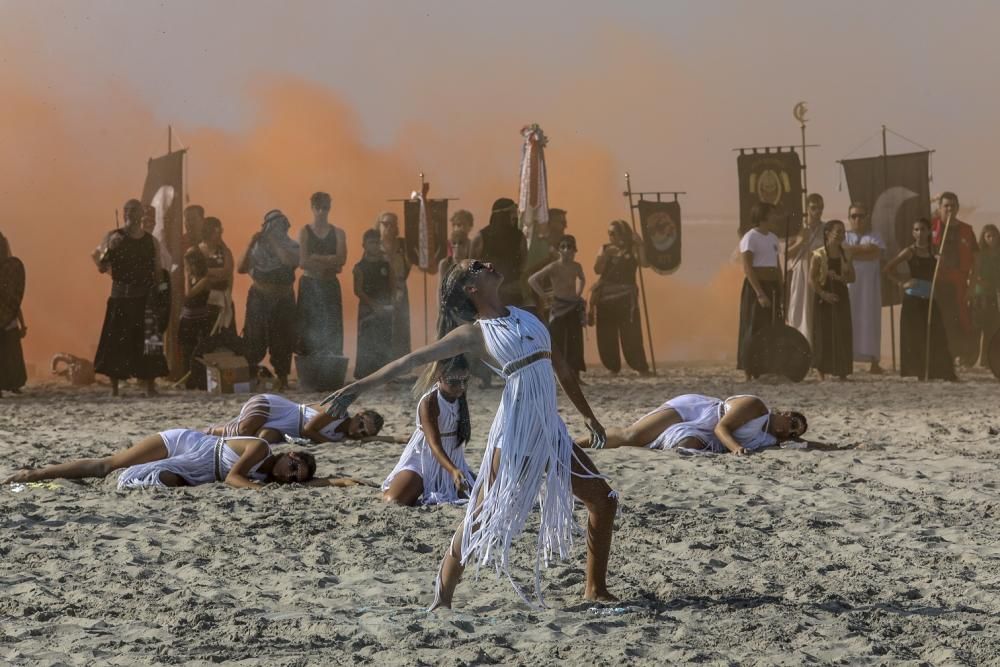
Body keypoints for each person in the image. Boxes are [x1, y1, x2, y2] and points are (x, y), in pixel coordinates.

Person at [323, 259, 617, 608]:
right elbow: (409, 361)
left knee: (604, 499)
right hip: (515, 432)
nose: (488, 263)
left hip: (549, 430)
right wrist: (355, 388)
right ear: (470, 288)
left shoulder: (528, 314)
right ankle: (442, 598)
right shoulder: (473, 334)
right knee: (481, 515)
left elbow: (564, 369)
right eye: (476, 267)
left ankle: (594, 589)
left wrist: (588, 416)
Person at [2, 429, 370, 490]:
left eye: (295, 477)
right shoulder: (260, 449)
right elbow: (233, 479)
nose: (291, 477)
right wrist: (260, 491)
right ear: (289, 454)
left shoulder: (272, 476)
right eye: (294, 468)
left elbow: (307, 485)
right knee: (108, 464)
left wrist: (339, 480)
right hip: (186, 444)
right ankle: (32, 473)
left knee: (165, 482)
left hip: (195, 471)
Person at [92, 199, 169, 397]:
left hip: (144, 297)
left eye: (137, 211)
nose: (134, 215)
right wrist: (110, 249)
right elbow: (101, 265)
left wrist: (160, 293)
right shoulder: (113, 237)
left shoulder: (150, 241)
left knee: (149, 344)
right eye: (131, 211)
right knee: (116, 343)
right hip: (121, 297)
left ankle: (150, 385)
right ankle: (115, 388)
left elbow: (157, 270)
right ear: (125, 213)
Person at [382, 355, 476, 506]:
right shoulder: (430, 401)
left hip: (452, 459)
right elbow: (434, 445)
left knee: (483, 496)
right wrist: (453, 471)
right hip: (423, 458)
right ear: (439, 377)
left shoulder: (459, 396)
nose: (461, 387)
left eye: (465, 381)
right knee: (394, 501)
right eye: (454, 382)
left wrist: (456, 468)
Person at [577, 394, 807, 454]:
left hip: (705, 435)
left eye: (794, 433)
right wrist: (736, 448)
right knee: (633, 437)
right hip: (697, 411)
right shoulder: (755, 406)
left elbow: (809, 445)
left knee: (687, 445)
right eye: (793, 423)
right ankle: (576, 444)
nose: (790, 431)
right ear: (785, 413)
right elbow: (721, 428)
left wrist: (834, 448)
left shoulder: (770, 438)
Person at [883, 218, 956, 380]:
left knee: (936, 334)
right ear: (912, 232)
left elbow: (944, 272)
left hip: (929, 299)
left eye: (923, 229)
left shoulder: (934, 251)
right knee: (914, 336)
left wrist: (941, 262)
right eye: (916, 230)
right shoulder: (909, 251)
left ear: (929, 231)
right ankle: (918, 372)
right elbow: (888, 269)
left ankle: (939, 371)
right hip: (913, 299)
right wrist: (902, 283)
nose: (920, 233)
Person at [237, 209, 299, 392]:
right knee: (254, 337)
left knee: (283, 339)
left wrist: (274, 241)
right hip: (259, 296)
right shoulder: (257, 248)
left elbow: (289, 261)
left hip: (283, 298)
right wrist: (250, 243)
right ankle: (252, 376)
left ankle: (282, 378)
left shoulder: (291, 245)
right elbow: (241, 267)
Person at [207, 393, 389, 444]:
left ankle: (216, 435)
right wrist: (329, 444)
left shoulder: (342, 436)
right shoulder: (338, 412)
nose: (359, 431)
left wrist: (402, 439)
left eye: (363, 432)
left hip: (282, 429)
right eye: (361, 424)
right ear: (359, 414)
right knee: (242, 431)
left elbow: (373, 438)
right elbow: (307, 430)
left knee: (259, 441)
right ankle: (210, 431)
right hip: (275, 409)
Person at [592, 220, 650, 375]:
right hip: (605, 300)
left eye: (614, 233)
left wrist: (641, 244)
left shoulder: (633, 249)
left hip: (626, 300)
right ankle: (612, 367)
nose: (611, 236)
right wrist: (605, 256)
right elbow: (597, 270)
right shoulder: (604, 249)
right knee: (606, 336)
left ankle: (639, 366)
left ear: (622, 233)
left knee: (631, 335)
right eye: (609, 233)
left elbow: (644, 263)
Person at [528, 234, 586, 382]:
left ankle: (576, 375)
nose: (566, 250)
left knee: (575, 340)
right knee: (557, 341)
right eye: (563, 247)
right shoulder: (554, 266)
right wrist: (545, 296)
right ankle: (556, 375)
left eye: (570, 247)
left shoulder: (576, 266)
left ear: (575, 249)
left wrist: (578, 294)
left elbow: (582, 279)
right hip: (558, 307)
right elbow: (532, 280)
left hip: (572, 306)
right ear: (559, 250)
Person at [931, 192, 979, 366]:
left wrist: (972, 286)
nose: (949, 209)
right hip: (937, 282)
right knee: (938, 318)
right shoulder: (930, 228)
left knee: (959, 319)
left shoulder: (967, 230)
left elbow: (976, 261)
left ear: (958, 207)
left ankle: (959, 355)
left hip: (958, 282)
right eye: (946, 206)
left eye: (953, 206)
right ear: (940, 208)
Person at [297, 192, 347, 357]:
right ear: (312, 208)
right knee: (308, 326)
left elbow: (342, 259)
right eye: (318, 207)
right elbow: (303, 262)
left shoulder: (338, 232)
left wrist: (316, 257)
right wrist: (330, 260)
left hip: (329, 283)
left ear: (329, 208)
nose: (321, 212)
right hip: (310, 284)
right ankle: (309, 369)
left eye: (324, 208)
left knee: (332, 326)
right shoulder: (304, 231)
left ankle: (332, 368)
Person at [737, 203, 782, 380]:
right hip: (757, 286)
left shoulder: (773, 238)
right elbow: (748, 267)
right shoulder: (750, 237)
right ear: (763, 217)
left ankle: (767, 366)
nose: (775, 218)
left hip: (772, 285)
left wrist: (781, 286)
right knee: (754, 327)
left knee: (771, 327)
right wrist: (760, 293)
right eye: (772, 215)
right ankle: (750, 369)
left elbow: (777, 265)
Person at [810, 220, 855, 380]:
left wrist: (841, 277)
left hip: (841, 294)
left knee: (842, 331)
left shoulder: (846, 254)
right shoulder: (818, 254)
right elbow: (812, 279)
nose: (841, 235)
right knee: (824, 332)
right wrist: (824, 294)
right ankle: (821, 370)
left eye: (843, 232)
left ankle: (842, 371)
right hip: (824, 295)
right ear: (827, 233)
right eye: (838, 232)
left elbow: (852, 277)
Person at [844, 202, 885, 374]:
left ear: (867, 217)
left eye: (861, 216)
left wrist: (853, 252)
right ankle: (846, 359)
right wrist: (862, 251)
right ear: (849, 218)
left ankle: (873, 361)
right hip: (850, 286)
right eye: (854, 216)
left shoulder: (874, 236)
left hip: (870, 289)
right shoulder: (844, 236)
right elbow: (843, 252)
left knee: (870, 320)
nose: (857, 219)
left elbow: (877, 252)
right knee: (849, 320)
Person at [470, 198, 528, 306]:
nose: (515, 217)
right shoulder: (481, 237)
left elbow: (523, 264)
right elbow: (472, 265)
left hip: (512, 293)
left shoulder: (519, 237)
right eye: (512, 213)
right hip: (488, 294)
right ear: (502, 215)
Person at [354, 229, 395, 379]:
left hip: (384, 310)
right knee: (367, 342)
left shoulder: (386, 265)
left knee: (384, 340)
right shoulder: (359, 267)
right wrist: (374, 306)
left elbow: (392, 286)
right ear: (364, 245)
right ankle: (364, 375)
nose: (375, 245)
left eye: (377, 242)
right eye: (371, 242)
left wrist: (389, 305)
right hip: (367, 310)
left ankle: (385, 375)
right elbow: (358, 290)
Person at [786, 193, 826, 342]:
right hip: (800, 276)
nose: (818, 212)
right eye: (814, 208)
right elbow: (786, 255)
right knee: (798, 311)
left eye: (820, 208)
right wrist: (801, 241)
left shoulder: (826, 229)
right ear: (807, 208)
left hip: (818, 275)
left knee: (816, 314)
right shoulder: (799, 229)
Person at [375, 211, 411, 360]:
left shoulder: (403, 244)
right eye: (385, 224)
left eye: (392, 224)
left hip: (400, 287)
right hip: (381, 290)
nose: (389, 227)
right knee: (382, 325)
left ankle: (401, 364)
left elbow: (409, 263)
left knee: (401, 327)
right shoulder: (375, 245)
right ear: (379, 225)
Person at [178, 248, 214, 389]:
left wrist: (186, 276)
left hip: (199, 322)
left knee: (198, 353)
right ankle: (189, 381)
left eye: (188, 265)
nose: (186, 268)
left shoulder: (204, 280)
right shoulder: (192, 278)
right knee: (187, 351)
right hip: (187, 320)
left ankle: (200, 381)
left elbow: (190, 293)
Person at [198, 216, 236, 335]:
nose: (220, 233)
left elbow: (228, 272)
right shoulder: (198, 250)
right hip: (205, 301)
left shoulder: (225, 251)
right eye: (217, 230)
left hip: (224, 298)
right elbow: (198, 274)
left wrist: (209, 272)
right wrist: (218, 273)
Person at [0, 231, 27, 397]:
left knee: (11, 353)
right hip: (8, 319)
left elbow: (14, 300)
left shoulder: (10, 269)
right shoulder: (10, 269)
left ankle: (13, 383)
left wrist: (22, 323)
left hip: (8, 319)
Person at [971, 224, 1000, 367]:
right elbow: (973, 275)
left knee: (993, 328)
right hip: (980, 295)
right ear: (983, 237)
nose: (992, 239)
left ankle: (987, 359)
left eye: (994, 235)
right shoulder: (980, 255)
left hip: (995, 295)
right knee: (980, 328)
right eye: (988, 236)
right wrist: (983, 283)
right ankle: (977, 359)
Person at [437, 209, 475, 288]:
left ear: (470, 227)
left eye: (463, 224)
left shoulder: (473, 245)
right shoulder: (447, 244)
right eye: (456, 225)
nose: (459, 228)